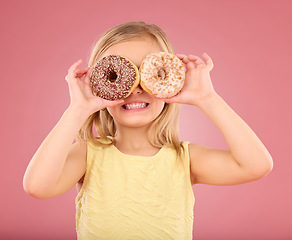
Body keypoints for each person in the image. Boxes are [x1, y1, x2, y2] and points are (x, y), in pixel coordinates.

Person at [23, 21, 273, 239]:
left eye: (148, 73)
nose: (135, 88)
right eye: (120, 74)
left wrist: (207, 98)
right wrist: (78, 109)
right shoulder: (88, 155)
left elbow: (256, 165)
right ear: (100, 83)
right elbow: (38, 186)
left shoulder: (184, 159)